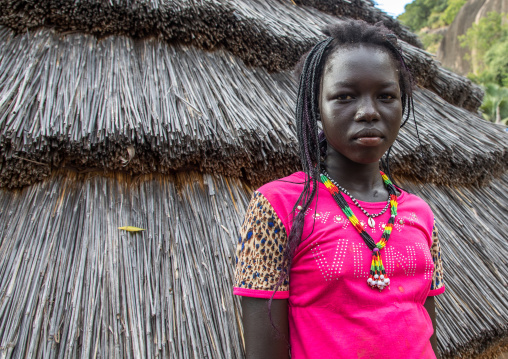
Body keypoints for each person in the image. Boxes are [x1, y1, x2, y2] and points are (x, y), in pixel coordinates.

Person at [233, 20, 445, 359]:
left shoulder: (418, 212)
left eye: (386, 96)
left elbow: (426, 329)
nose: (368, 112)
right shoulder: (278, 206)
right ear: (318, 107)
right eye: (344, 96)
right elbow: (264, 350)